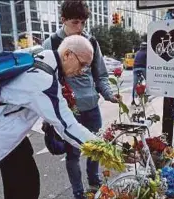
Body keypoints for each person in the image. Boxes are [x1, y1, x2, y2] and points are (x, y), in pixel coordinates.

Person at [0, 35, 100, 199]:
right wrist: (103, 149)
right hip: (3, 134)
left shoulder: (43, 59)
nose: (82, 71)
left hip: (4, 127)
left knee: (24, 183)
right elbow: (68, 126)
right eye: (82, 64)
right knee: (25, 189)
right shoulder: (44, 79)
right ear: (67, 55)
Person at [42, 1, 119, 198]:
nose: (80, 28)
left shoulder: (91, 42)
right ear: (63, 20)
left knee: (96, 147)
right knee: (73, 153)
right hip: (68, 110)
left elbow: (100, 75)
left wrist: (109, 94)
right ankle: (78, 193)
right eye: (75, 22)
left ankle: (94, 182)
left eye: (83, 23)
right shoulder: (51, 44)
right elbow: (44, 81)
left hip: (91, 107)